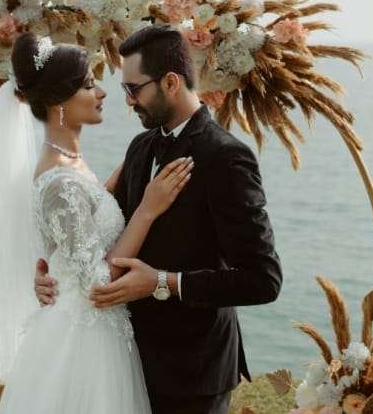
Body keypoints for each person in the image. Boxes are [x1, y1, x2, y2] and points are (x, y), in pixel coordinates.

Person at [34, 24, 282, 414]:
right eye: (125, 89)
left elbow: (262, 280)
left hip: (193, 374)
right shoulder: (140, 147)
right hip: (125, 363)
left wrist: (163, 282)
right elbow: (98, 231)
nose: (128, 101)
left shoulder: (226, 157)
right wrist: (55, 276)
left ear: (170, 82)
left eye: (134, 89)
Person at [0, 31, 195, 413]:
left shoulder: (71, 166)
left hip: (94, 332)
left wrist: (120, 178)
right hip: (83, 344)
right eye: (88, 85)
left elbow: (82, 224)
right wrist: (147, 209)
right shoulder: (59, 181)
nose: (101, 92)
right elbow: (99, 284)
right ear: (59, 102)